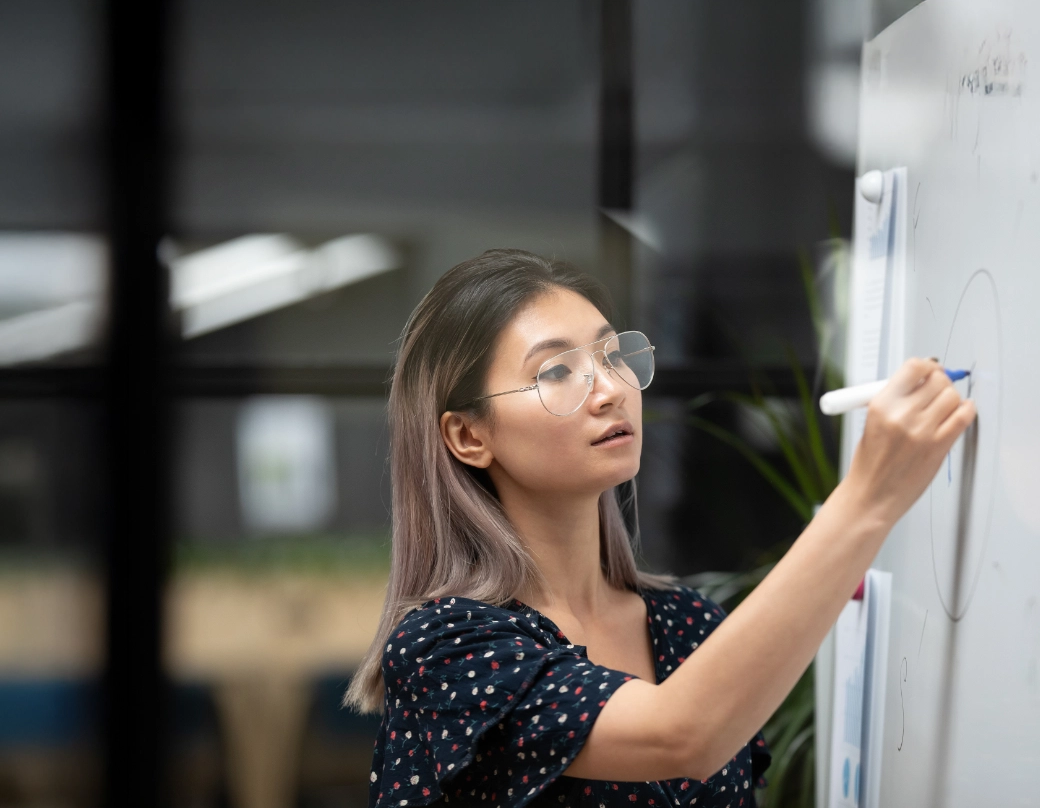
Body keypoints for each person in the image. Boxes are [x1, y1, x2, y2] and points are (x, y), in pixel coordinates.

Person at [346, 249, 975, 807]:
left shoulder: (687, 624)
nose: (611, 389)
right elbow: (683, 734)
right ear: (468, 435)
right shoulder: (445, 647)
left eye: (612, 355)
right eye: (557, 372)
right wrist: (867, 499)